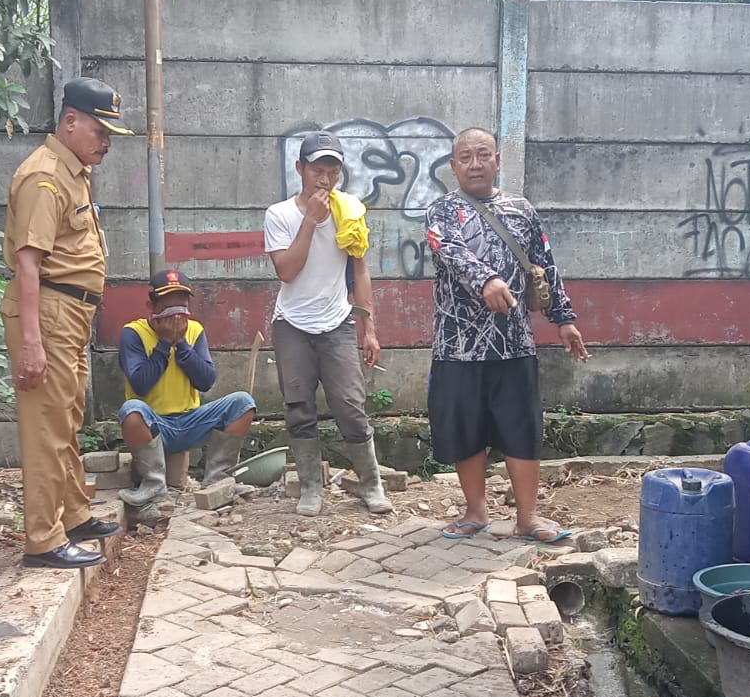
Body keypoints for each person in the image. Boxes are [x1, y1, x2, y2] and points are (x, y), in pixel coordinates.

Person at [423, 126, 590, 543]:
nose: (475, 163)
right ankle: (475, 511)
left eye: (483, 155)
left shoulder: (521, 209)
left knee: (521, 428)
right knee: (465, 429)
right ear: (453, 165)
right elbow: (451, 252)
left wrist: (564, 319)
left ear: (497, 160)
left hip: (514, 342)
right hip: (457, 344)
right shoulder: (442, 212)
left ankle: (528, 517)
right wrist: (487, 280)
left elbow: (544, 266)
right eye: (466, 156)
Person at [0, 76, 131, 569]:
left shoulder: (73, 171)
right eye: (100, 131)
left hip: (70, 314)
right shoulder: (44, 178)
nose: (107, 142)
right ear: (70, 121)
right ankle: (43, 539)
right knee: (46, 429)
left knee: (67, 421)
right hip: (48, 313)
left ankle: (73, 515)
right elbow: (28, 264)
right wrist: (32, 345)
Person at [263, 131, 392, 517]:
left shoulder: (350, 210)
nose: (324, 180)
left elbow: (360, 270)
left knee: (351, 406)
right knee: (299, 405)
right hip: (292, 325)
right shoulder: (280, 214)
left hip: (336, 324)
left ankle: (371, 485)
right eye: (317, 170)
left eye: (332, 172)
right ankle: (310, 488)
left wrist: (368, 327)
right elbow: (286, 270)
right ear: (300, 169)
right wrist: (310, 222)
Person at [118, 269, 257, 503]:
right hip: (155, 424)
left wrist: (181, 344)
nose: (176, 318)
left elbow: (205, 381)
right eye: (168, 309)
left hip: (191, 420)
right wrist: (163, 344)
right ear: (151, 307)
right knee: (131, 410)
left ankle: (217, 479)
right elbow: (140, 384)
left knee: (243, 402)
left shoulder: (195, 330)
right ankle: (154, 485)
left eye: (180, 309)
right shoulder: (133, 333)